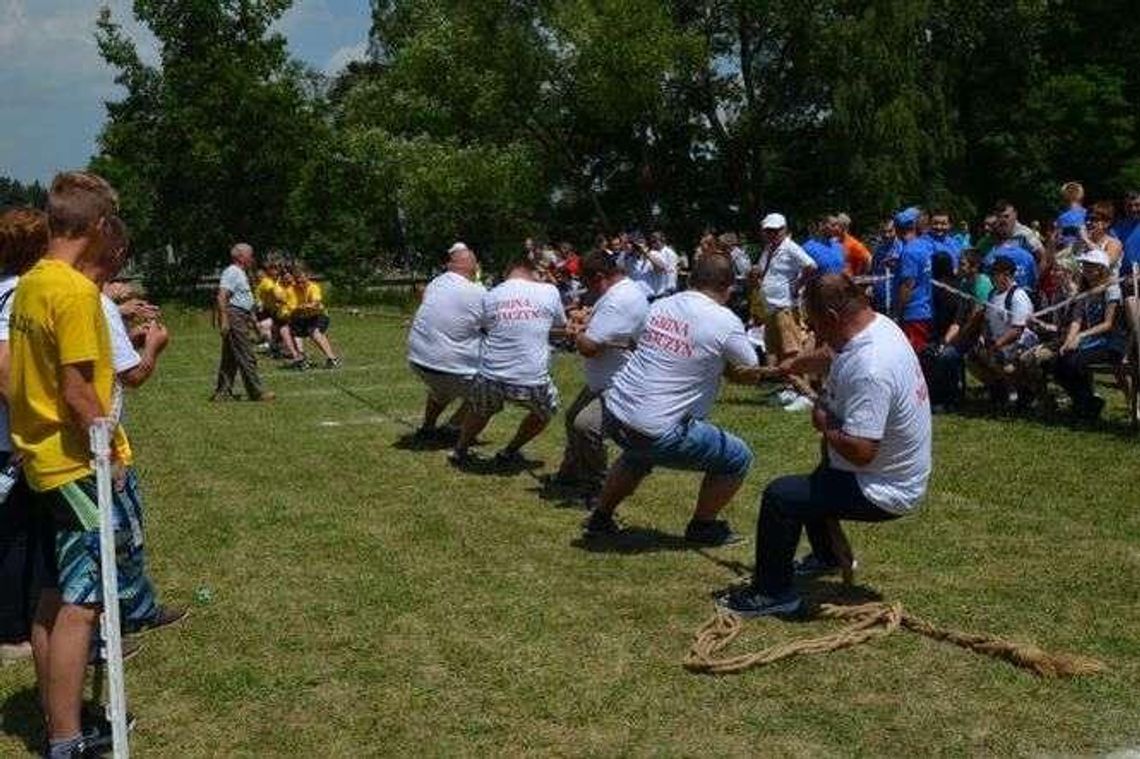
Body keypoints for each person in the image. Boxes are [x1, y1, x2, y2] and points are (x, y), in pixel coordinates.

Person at [8, 171, 142, 756]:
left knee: (53, 594)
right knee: (83, 606)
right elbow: (78, 390)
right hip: (74, 466)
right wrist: (110, 451)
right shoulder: (74, 292)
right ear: (94, 227)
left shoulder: (33, 284)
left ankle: (59, 720)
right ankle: (68, 738)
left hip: (39, 457)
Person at [718, 274, 931, 616]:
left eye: (816, 324)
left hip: (885, 489)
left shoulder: (871, 367)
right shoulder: (878, 325)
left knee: (782, 497)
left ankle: (772, 593)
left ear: (832, 318)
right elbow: (833, 352)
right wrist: (796, 365)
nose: (814, 333)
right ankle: (826, 556)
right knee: (816, 482)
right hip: (886, 472)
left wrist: (826, 424)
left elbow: (862, 451)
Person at [581, 254, 759, 546]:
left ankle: (601, 517)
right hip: (656, 429)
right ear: (729, 288)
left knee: (636, 454)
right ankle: (703, 526)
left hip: (615, 413)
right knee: (738, 458)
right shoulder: (725, 320)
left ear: (691, 279)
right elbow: (750, 368)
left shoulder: (661, 304)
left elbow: (640, 342)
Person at [450, 259, 567, 467]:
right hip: (530, 377)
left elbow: (487, 327)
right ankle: (510, 450)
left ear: (508, 274)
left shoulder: (491, 295)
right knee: (547, 410)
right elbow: (559, 326)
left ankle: (459, 450)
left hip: (491, 374)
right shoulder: (549, 291)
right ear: (532, 272)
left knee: (479, 409)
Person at [551, 251, 649, 497]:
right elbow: (602, 327)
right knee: (573, 417)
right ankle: (571, 473)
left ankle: (599, 487)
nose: (585, 288)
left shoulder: (620, 300)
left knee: (586, 426)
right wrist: (586, 321)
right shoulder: (620, 292)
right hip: (605, 378)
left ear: (599, 276)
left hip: (619, 382)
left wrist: (575, 334)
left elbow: (590, 348)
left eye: (586, 282)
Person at [0, 207, 49, 665]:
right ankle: (15, 630)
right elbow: (4, 369)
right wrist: (23, 431)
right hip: (11, 439)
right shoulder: (15, 295)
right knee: (17, 533)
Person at [407, 243, 485, 441]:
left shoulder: (436, 282)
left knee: (441, 389)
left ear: (451, 265)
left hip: (418, 361)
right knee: (491, 388)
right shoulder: (478, 292)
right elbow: (493, 327)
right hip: (449, 367)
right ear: (473, 267)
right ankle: (453, 427)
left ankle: (428, 427)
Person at [1054, 249, 1126, 419]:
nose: (1085, 269)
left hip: (1111, 342)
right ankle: (1085, 401)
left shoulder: (1112, 288)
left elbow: (1108, 324)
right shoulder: (1084, 291)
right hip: (1091, 339)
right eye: (1084, 266)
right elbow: (1077, 319)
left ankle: (1087, 404)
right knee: (1058, 363)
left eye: (1089, 266)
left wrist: (1080, 336)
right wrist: (1069, 340)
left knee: (1073, 363)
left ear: (1100, 268)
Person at [967, 256, 1037, 405]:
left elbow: (1017, 330)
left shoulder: (1018, 297)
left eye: (995, 274)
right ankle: (999, 389)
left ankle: (1021, 391)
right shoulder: (993, 294)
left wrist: (995, 346)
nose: (992, 277)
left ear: (1006, 275)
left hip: (1017, 347)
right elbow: (986, 320)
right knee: (973, 359)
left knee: (1006, 366)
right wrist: (984, 338)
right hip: (996, 344)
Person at [212, 243, 274, 401]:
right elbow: (222, 296)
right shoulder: (232, 272)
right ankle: (256, 392)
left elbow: (245, 300)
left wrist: (254, 323)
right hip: (234, 316)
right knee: (246, 355)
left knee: (230, 356)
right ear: (241, 257)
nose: (252, 258)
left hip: (241, 315)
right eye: (250, 255)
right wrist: (225, 320)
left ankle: (222, 392)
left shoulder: (240, 273)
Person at [893, 207, 935, 352]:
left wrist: (897, 314)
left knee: (914, 357)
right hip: (925, 310)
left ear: (898, 229)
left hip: (912, 313)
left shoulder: (909, 252)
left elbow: (907, 286)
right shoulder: (924, 247)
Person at [288, 266, 341, 369]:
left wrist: (307, 306)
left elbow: (316, 302)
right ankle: (301, 359)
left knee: (315, 333)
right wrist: (299, 308)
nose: (301, 284)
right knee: (295, 334)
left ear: (307, 278)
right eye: (298, 282)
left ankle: (332, 359)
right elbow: (291, 307)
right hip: (301, 317)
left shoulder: (313, 287)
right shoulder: (292, 290)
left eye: (303, 281)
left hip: (318, 315)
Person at [984, 200, 1040, 291]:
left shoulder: (1025, 233)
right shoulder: (994, 234)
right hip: (999, 287)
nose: (1003, 220)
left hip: (1021, 287)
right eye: (1000, 217)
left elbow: (1042, 256)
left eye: (1006, 216)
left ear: (1015, 215)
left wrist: (1034, 282)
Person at [1055, 181, 1087, 250]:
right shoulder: (1086, 213)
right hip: (1082, 249)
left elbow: (1058, 237)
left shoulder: (1061, 216)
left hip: (1066, 249)